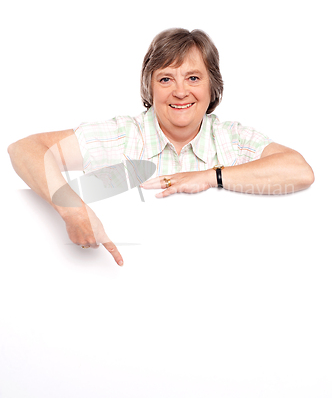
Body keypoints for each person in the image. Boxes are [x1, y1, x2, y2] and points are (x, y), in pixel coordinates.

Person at [8, 28, 314, 266]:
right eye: (166, 79)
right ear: (150, 87)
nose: (181, 92)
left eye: (193, 77)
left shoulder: (232, 138)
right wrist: (74, 212)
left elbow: (299, 171)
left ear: (212, 86)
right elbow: (24, 149)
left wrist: (210, 176)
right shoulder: (123, 135)